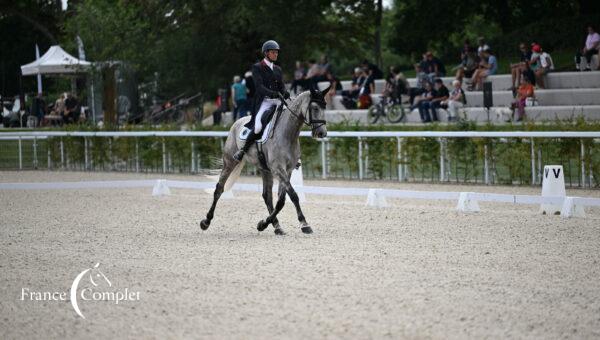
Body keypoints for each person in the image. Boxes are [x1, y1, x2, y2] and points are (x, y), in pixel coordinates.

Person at [234, 40, 289, 161]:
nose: (276, 54)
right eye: (273, 52)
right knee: (258, 127)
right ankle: (242, 150)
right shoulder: (257, 67)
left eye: (276, 52)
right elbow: (259, 87)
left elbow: (281, 86)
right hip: (264, 102)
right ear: (266, 53)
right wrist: (273, 93)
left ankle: (292, 155)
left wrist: (285, 92)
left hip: (277, 101)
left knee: (289, 120)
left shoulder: (277, 69)